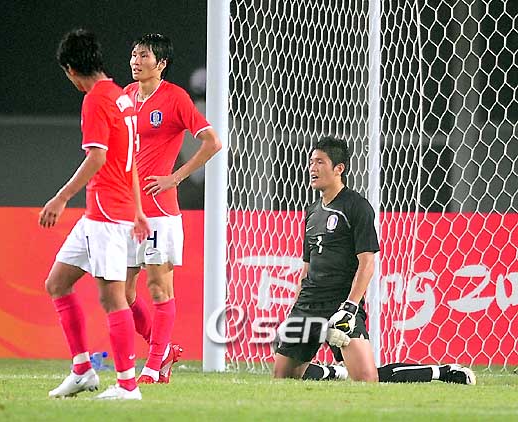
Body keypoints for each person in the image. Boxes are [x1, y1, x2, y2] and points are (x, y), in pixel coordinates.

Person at [272, 136, 476, 385]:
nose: (312, 168)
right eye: (311, 162)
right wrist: (294, 310)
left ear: (339, 168)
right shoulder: (312, 212)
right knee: (283, 376)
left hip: (339, 303)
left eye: (320, 162)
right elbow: (307, 267)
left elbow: (367, 263)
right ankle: (333, 372)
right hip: (308, 306)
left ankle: (442, 371)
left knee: (367, 378)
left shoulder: (356, 207)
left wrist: (349, 307)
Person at [40, 28, 151, 400]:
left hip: (106, 214)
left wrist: (61, 197)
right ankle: (82, 370)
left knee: (112, 298)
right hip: (105, 213)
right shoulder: (122, 97)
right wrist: (138, 209)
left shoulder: (95, 100)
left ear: (71, 70)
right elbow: (129, 160)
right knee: (57, 283)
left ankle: (127, 386)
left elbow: (99, 157)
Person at [123, 33, 222, 384]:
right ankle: (163, 350)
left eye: (144, 56)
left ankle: (152, 367)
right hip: (127, 209)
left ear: (161, 63)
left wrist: (175, 177)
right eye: (134, 55)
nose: (136, 61)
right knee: (122, 291)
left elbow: (212, 142)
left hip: (158, 211)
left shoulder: (175, 98)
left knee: (158, 287)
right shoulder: (126, 96)